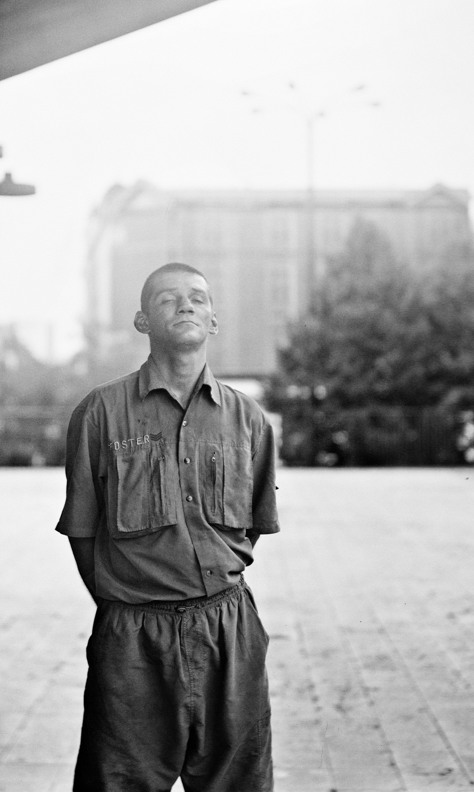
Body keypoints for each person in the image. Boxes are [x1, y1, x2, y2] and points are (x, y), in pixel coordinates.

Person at [56, 262, 280, 792]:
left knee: (239, 783)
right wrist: (126, 600)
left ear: (214, 320)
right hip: (133, 639)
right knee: (118, 782)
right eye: (167, 299)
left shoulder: (249, 419)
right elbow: (83, 531)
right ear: (142, 321)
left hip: (229, 633)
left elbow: (250, 529)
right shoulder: (100, 413)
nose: (185, 306)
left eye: (197, 298)